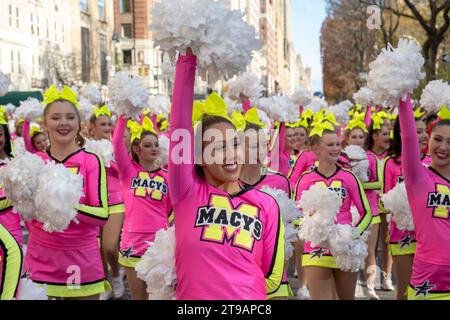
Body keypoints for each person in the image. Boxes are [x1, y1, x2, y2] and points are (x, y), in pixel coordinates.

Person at [169, 49, 284, 300]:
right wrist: (188, 58)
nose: (231, 154)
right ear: (197, 157)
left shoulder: (266, 205)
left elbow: (273, 275)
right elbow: (179, 125)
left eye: (234, 144)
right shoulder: (187, 191)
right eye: (218, 147)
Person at [24, 85, 110, 300]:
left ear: (78, 124)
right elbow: (25, 211)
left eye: (70, 117)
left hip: (81, 258)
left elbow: (101, 215)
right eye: (55, 118)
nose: (63, 123)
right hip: (40, 257)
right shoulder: (35, 163)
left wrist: (66, 206)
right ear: (45, 124)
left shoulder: (91, 160)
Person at [295, 120, 372, 300]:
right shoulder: (306, 179)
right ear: (317, 149)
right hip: (316, 248)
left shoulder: (348, 176)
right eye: (330, 145)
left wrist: (353, 234)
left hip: (344, 249)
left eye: (338, 144)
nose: (336, 148)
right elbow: (295, 214)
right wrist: (310, 225)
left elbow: (366, 212)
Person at [237, 107, 294, 300]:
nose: (261, 150)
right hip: (237, 281)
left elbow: (287, 235)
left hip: (275, 281)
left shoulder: (280, 181)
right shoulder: (224, 185)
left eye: (264, 144)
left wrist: (280, 275)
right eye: (253, 145)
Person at [113, 115, 171, 300]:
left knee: (160, 296)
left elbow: (170, 209)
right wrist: (123, 117)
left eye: (156, 144)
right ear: (137, 149)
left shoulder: (167, 176)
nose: (153, 148)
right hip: (133, 242)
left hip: (159, 244)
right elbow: (116, 142)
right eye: (147, 145)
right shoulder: (128, 171)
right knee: (138, 297)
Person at [397, 96, 450, 300]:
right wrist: (403, 97)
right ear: (427, 140)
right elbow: (408, 137)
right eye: (438, 139)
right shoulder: (417, 177)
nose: (443, 147)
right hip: (427, 280)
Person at [382, 110, 430, 300]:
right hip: (401, 234)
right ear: (405, 134)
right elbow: (384, 201)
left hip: (428, 235)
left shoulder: (434, 162)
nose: (425, 135)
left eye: (425, 131)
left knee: (425, 290)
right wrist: (399, 201)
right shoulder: (391, 163)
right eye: (418, 131)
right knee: (404, 288)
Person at [88, 105, 126, 299]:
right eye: (102, 124)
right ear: (92, 126)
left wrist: (109, 159)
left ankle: (117, 273)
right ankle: (106, 283)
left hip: (116, 200)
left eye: (109, 124)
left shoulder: (117, 145)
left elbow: (125, 172)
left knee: (109, 246)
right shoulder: (84, 146)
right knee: (97, 248)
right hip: (94, 202)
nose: (107, 127)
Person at [343, 115, 382, 300]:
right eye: (354, 137)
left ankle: (371, 287)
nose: (358, 140)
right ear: (347, 139)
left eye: (361, 136)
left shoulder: (372, 158)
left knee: (369, 252)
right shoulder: (341, 157)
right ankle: (354, 284)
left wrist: (357, 184)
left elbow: (379, 183)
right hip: (349, 213)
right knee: (349, 251)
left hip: (371, 211)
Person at [365, 114, 394, 291]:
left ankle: (387, 278)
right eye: (384, 133)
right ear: (375, 136)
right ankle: (370, 283)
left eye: (389, 133)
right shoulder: (366, 156)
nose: (388, 137)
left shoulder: (392, 156)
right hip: (372, 205)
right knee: (371, 246)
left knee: (388, 242)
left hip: (390, 204)